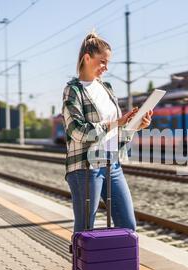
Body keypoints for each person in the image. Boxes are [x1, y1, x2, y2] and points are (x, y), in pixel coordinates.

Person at [62, 30, 152, 233]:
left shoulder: (107, 88)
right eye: (102, 61)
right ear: (87, 58)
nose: (106, 67)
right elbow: (76, 131)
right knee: (86, 227)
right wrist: (114, 123)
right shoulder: (74, 90)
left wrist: (135, 126)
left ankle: (120, 265)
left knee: (128, 225)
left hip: (113, 164)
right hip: (86, 167)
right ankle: (82, 264)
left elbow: (116, 132)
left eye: (108, 62)